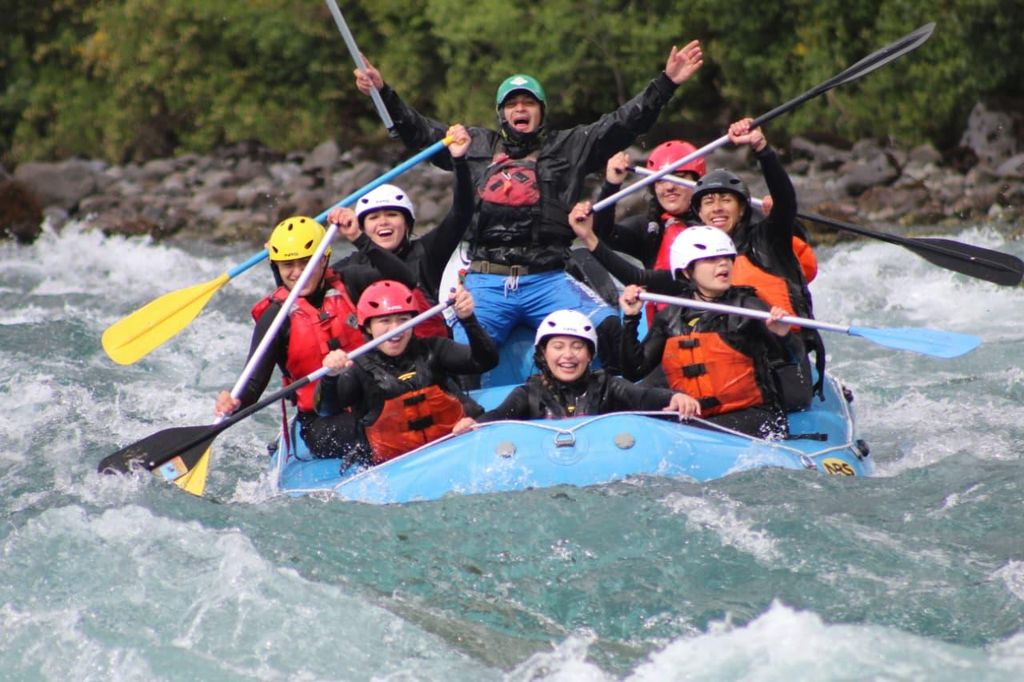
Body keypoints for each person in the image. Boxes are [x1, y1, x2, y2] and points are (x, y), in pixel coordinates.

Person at [352, 42, 704, 372]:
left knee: (609, 328)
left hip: (547, 278)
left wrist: (666, 83)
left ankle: (611, 397)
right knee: (462, 351)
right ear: (502, 114)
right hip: (487, 280)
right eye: (512, 104)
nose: (520, 109)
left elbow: (623, 123)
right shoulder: (473, 145)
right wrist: (383, 93)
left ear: (541, 112)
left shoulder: (569, 146)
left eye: (528, 103)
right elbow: (419, 131)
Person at [573, 117, 824, 399]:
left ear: (742, 208)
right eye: (708, 202)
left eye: (726, 200)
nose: (717, 209)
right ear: (699, 214)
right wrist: (592, 232)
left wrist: (762, 149)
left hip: (775, 353)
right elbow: (639, 277)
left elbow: (786, 202)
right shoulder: (692, 263)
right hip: (709, 351)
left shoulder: (765, 238)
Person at [214, 216, 419, 459]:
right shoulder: (276, 318)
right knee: (366, 428)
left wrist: (358, 237)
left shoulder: (351, 282)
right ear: (276, 267)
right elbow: (253, 383)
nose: (298, 273)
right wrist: (234, 400)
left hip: (377, 397)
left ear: (323, 259)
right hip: (322, 419)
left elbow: (407, 280)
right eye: (288, 265)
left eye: (306, 262)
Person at [619, 226, 796, 439]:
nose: (723, 264)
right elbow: (634, 370)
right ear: (687, 271)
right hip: (698, 418)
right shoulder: (670, 317)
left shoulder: (748, 308)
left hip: (756, 416)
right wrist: (630, 319)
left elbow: (791, 359)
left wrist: (783, 335)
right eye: (711, 259)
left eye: (727, 258)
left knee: (686, 434)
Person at [315, 280, 499, 465]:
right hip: (393, 466)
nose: (396, 329)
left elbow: (485, 361)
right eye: (385, 321)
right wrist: (330, 377)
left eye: (403, 320)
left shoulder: (434, 350)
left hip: (451, 448)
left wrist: (468, 319)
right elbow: (326, 410)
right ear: (368, 327)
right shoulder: (357, 369)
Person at [327, 124, 473, 339]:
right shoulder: (350, 266)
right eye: (373, 218)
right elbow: (307, 282)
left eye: (392, 215)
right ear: (362, 227)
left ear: (407, 224)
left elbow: (462, 213)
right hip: (377, 352)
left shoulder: (427, 251)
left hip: (426, 348)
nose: (383, 223)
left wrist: (459, 161)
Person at [451, 309, 698, 431]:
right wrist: (474, 423)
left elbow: (642, 397)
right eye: (558, 347)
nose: (568, 355)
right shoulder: (528, 394)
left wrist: (673, 397)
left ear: (590, 355)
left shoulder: (607, 386)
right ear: (543, 354)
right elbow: (499, 416)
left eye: (577, 347)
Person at [594, 140, 706, 269]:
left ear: (697, 181)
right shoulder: (647, 229)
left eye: (679, 177)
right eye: (661, 180)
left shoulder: (715, 219)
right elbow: (603, 234)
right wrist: (611, 185)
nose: (669, 187)